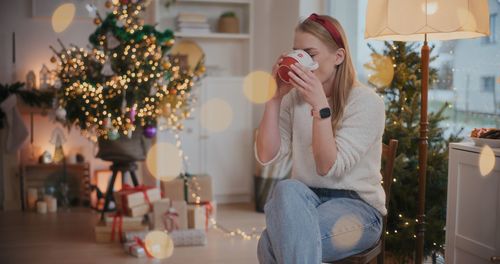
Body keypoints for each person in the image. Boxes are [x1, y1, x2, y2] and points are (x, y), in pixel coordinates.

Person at [255, 13, 386, 263]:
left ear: (338, 57)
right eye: (296, 52)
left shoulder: (366, 102)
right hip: (304, 199)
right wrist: (274, 99)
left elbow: (327, 167)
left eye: (310, 54)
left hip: (358, 208)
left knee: (269, 244)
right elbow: (266, 155)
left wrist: (320, 108)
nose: (300, 61)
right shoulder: (293, 99)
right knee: (286, 187)